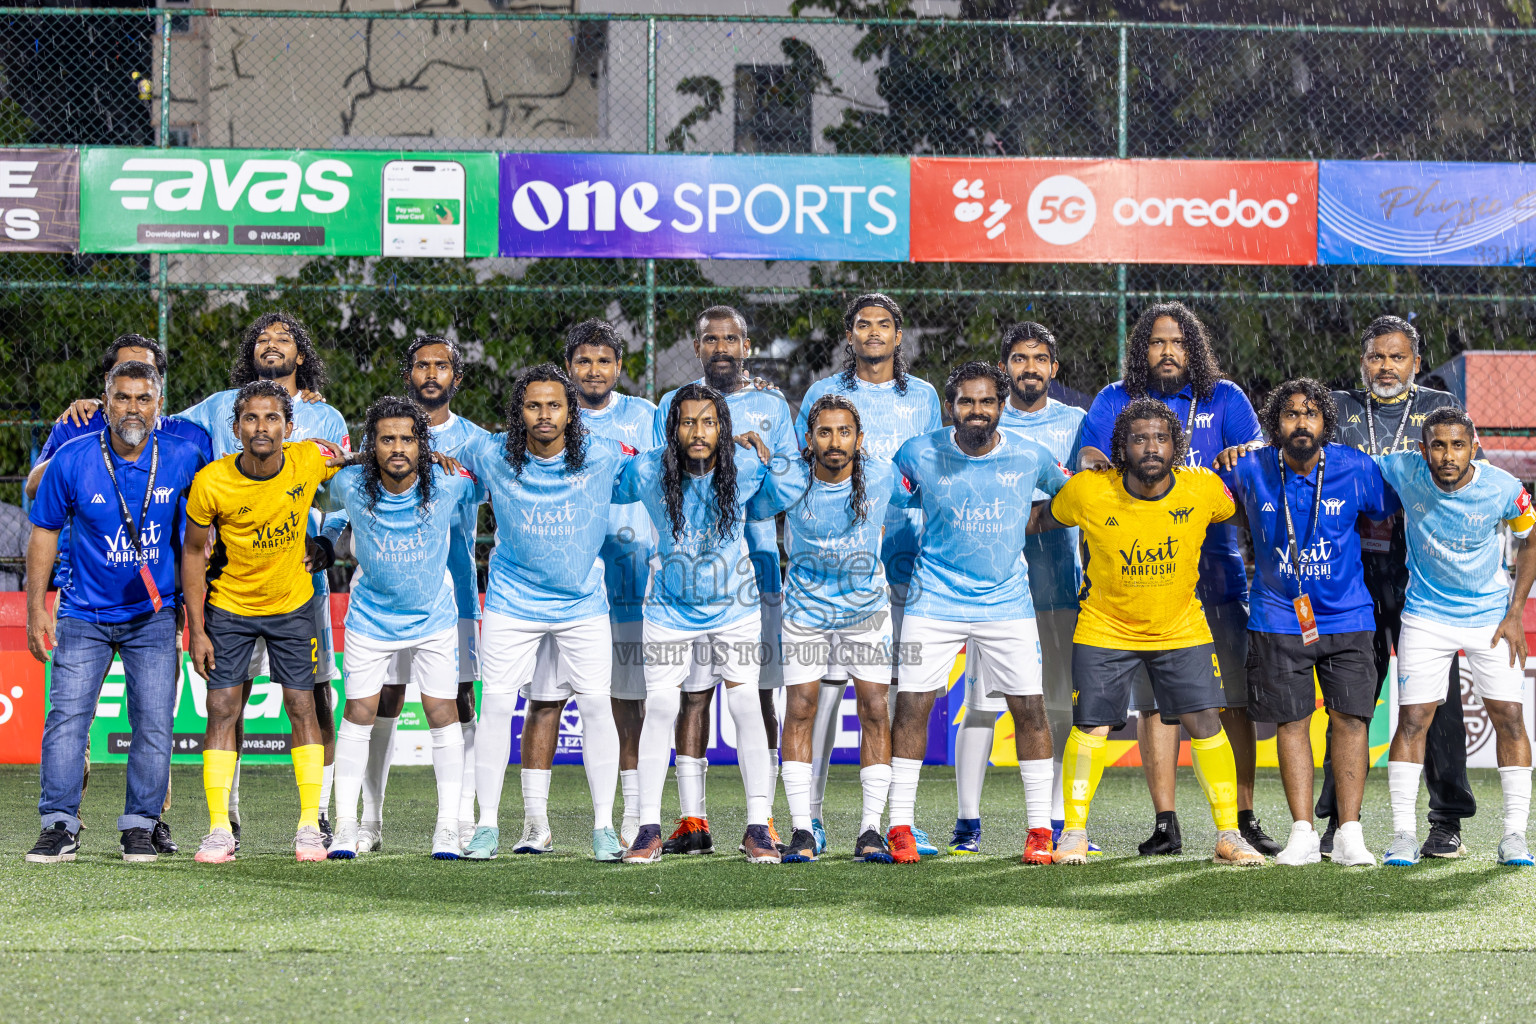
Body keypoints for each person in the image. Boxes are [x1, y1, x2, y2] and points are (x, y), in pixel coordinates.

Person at [52, 314, 351, 850]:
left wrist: (327, 542)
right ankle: (225, 819)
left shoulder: (324, 420)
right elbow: (147, 418)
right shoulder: (216, 407)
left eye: (284, 338)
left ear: (300, 356)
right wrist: (97, 408)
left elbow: (354, 483)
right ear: (237, 424)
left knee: (312, 699)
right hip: (228, 587)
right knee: (227, 703)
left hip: (298, 583)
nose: (272, 345)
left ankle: (317, 815)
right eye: (262, 337)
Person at [1078, 302, 1276, 857]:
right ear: (1142, 349)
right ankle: (1166, 822)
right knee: (1155, 705)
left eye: (1178, 343)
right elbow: (1091, 455)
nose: (1167, 352)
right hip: (1139, 579)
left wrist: (1244, 456)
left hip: (1216, 569)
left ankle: (1240, 820)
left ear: (1194, 349)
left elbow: (1258, 460)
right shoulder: (1114, 398)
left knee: (1230, 701)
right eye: (1157, 342)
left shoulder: (1225, 398)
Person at [1037, 398, 1264, 866]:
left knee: (1205, 723)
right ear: (1122, 447)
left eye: (1161, 437)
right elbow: (1042, 519)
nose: (1151, 447)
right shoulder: (1088, 491)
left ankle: (1228, 834)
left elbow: (1251, 509)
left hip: (1181, 627)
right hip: (1105, 627)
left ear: (1176, 445)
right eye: (1139, 438)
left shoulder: (1202, 489)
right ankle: (1075, 833)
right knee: (1090, 726)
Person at [27, 334, 211, 855]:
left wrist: (198, 618)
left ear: (160, 403)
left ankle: (140, 823)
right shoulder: (73, 457)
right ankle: (60, 822)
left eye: (143, 398)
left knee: (154, 720)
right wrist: (38, 605)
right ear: (104, 402)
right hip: (84, 612)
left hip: (153, 614)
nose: (133, 408)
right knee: (67, 718)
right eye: (122, 398)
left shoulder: (185, 455)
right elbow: (42, 530)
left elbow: (202, 538)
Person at [885, 362, 1067, 865]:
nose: (977, 411)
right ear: (951, 407)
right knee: (912, 707)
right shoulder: (919, 452)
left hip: (1006, 603)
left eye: (987, 402)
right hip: (933, 599)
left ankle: (1038, 833)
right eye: (966, 401)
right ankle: (899, 824)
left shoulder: (1031, 456)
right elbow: (881, 495)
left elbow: (1069, 498)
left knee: (1029, 710)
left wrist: (1032, 520)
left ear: (1001, 406)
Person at [453, 365, 635, 863]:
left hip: (581, 604)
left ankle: (603, 828)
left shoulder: (602, 454)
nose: (544, 415)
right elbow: (441, 453)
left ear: (571, 411)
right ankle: (487, 825)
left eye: (554, 405)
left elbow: (656, 469)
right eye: (533, 406)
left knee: (596, 707)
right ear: (519, 413)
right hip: (512, 602)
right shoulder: (492, 453)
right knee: (496, 708)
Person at [1217, 379, 1398, 867]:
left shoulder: (1355, 468)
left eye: (1312, 414)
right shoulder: (1251, 468)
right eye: (1291, 414)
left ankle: (1349, 833)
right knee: (1291, 722)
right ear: (1276, 424)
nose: (1302, 423)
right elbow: (1216, 506)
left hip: (1348, 615)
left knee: (1350, 721)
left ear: (1326, 423)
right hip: (1277, 618)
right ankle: (1302, 831)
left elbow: (1387, 512)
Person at [619, 383, 795, 864]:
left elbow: (792, 482)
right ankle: (648, 828)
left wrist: (769, 453)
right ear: (673, 428)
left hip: (734, 606)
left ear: (724, 429)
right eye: (688, 422)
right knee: (660, 706)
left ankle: (758, 826)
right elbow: (604, 478)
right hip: (668, 608)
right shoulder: (648, 469)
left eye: (709, 422)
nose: (698, 432)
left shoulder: (747, 467)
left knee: (745, 704)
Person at [793, 293, 943, 856]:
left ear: (899, 336)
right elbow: (806, 472)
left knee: (895, 693)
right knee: (824, 694)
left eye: (884, 325)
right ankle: (811, 814)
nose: (874, 333)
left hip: (907, 554)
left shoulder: (924, 395)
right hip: (843, 562)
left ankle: (896, 818)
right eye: (863, 325)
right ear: (849, 335)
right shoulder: (823, 395)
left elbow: (931, 468)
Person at [1329, 315, 1480, 859]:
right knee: (1350, 697)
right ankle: (1340, 820)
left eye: (1397, 357)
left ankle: (1446, 820)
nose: (1385, 367)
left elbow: (1470, 478)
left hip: (1421, 571)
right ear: (1362, 361)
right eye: (1376, 356)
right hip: (1349, 570)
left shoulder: (1439, 409)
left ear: (1416, 363)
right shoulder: (1337, 408)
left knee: (1433, 699)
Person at [332, 335, 489, 854]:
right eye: (386, 441)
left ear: (423, 445)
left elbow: (502, 481)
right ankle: (352, 826)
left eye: (406, 440)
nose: (397, 448)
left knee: (447, 708)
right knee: (362, 710)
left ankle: (451, 824)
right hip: (371, 620)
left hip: (438, 616)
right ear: (371, 444)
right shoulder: (351, 484)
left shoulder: (452, 481)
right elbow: (316, 482)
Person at [179, 380, 346, 864]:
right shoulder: (213, 481)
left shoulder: (308, 460)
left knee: (302, 706)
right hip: (230, 609)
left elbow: (362, 465)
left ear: (289, 428)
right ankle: (217, 830)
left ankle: (309, 825)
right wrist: (197, 628)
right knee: (222, 708)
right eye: (251, 418)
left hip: (293, 607)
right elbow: (192, 552)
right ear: (236, 428)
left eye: (272, 418)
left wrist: (426, 458)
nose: (261, 427)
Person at [948, 321, 1090, 857]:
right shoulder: (987, 420)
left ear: (1053, 368)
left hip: (1058, 586)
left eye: (1039, 359)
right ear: (1004, 368)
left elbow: (1080, 494)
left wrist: (1033, 517)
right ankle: (968, 821)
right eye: (1018, 358)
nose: (1029, 368)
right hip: (993, 587)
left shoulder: (1077, 422)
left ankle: (1056, 821)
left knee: (1057, 708)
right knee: (981, 705)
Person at [1377, 407, 1536, 868]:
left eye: (1458, 445)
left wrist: (1514, 612)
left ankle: (1514, 837)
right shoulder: (1404, 469)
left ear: (1474, 447)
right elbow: (1346, 460)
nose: (1448, 456)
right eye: (1439, 446)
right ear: (1423, 449)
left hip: (1490, 617)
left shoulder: (1503, 487)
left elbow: (1530, 540)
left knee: (1509, 716)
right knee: (1413, 720)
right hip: (1425, 615)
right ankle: (1404, 835)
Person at [770, 395, 906, 864]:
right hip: (805, 612)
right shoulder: (791, 481)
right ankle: (803, 830)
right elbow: (750, 490)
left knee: (874, 708)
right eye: (824, 432)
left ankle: (871, 830)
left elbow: (919, 490)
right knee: (801, 708)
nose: (834, 441)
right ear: (809, 440)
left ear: (859, 439)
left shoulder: (883, 476)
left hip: (866, 612)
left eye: (844, 432)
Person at [562, 319, 656, 848]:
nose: (594, 370)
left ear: (619, 367)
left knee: (641, 699)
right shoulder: (555, 416)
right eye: (584, 361)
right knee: (581, 701)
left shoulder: (645, 416)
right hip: (575, 582)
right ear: (570, 367)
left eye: (604, 361)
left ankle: (641, 812)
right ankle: (542, 822)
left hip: (639, 576)